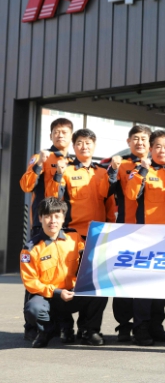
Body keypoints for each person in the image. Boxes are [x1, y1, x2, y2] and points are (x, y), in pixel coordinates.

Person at [46, 128, 112, 342]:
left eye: (88, 142)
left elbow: (110, 204)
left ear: (94, 145)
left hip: (97, 238)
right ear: (74, 146)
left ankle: (89, 329)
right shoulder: (65, 170)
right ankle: (65, 327)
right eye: (80, 143)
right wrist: (58, 174)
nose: (84, 146)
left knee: (96, 285)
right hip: (71, 237)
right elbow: (53, 199)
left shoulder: (103, 172)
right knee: (64, 282)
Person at [122, 130, 165, 346]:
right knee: (144, 286)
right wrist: (142, 169)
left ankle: (156, 327)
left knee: (161, 286)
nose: (162, 151)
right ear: (150, 148)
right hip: (147, 238)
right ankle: (140, 328)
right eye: (158, 146)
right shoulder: (140, 170)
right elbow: (131, 194)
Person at [21, 197, 108, 348]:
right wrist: (57, 292)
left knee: (99, 289)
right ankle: (47, 331)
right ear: (40, 218)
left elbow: (91, 257)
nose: (52, 221)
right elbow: (30, 281)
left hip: (73, 293)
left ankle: (89, 330)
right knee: (33, 308)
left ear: (63, 219)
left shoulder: (74, 238)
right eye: (47, 216)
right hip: (49, 297)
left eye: (57, 216)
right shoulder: (31, 248)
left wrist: (96, 235)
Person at [19, 117, 74, 341]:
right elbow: (26, 185)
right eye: (56, 132)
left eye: (64, 132)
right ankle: (32, 325)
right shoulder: (40, 157)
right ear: (50, 135)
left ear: (70, 136)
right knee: (39, 272)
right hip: (43, 224)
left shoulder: (74, 161)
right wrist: (39, 165)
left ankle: (63, 324)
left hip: (67, 225)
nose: (60, 135)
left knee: (63, 272)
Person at [106, 124, 152, 342]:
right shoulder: (121, 164)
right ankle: (123, 326)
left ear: (150, 142)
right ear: (128, 142)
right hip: (125, 230)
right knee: (123, 282)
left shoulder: (160, 165)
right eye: (136, 138)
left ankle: (144, 327)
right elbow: (108, 190)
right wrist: (112, 170)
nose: (140, 142)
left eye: (144, 138)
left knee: (146, 283)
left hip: (151, 233)